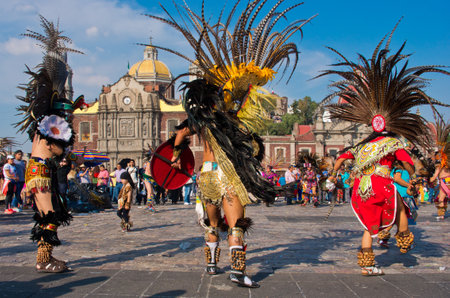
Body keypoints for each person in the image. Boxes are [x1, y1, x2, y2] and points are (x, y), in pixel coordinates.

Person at [319, 23, 448, 276]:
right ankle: (404, 235)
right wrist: (413, 175)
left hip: (361, 190)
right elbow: (408, 163)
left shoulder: (360, 146)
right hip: (382, 185)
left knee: (368, 228)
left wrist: (333, 176)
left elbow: (339, 158)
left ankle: (368, 265)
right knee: (402, 206)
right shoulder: (393, 144)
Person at [16, 16, 86, 273]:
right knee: (50, 216)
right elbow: (54, 148)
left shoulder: (46, 122)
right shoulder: (49, 123)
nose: (69, 117)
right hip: (40, 170)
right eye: (68, 113)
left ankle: (45, 257)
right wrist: (69, 153)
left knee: (51, 213)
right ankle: (43, 260)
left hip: (39, 169)